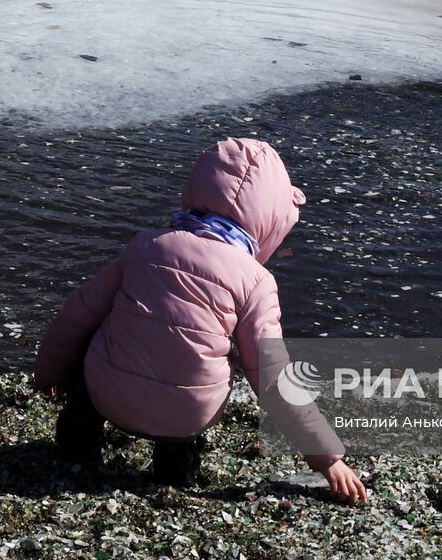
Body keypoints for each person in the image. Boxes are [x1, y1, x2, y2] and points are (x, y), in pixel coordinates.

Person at [33, 137, 367, 504]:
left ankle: (78, 449)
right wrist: (327, 459)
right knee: (217, 355)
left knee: (101, 322)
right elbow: (274, 380)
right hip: (185, 418)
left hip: (107, 397)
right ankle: (176, 469)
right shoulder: (256, 282)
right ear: (272, 220)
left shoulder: (147, 246)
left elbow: (76, 312)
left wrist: (50, 374)